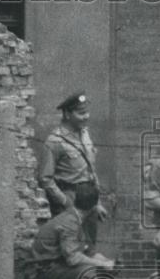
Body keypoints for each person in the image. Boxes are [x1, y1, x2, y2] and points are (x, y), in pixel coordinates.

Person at [28, 182, 115, 279]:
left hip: (56, 268)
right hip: (41, 274)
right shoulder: (70, 222)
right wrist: (101, 263)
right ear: (94, 206)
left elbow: (86, 252)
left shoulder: (75, 218)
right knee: (87, 271)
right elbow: (73, 259)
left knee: (100, 271)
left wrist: (108, 262)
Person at [38, 92, 108, 241]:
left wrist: (97, 203)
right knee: (70, 246)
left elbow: (91, 170)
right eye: (81, 113)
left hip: (89, 198)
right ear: (67, 114)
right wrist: (65, 202)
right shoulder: (55, 141)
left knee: (89, 245)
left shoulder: (85, 134)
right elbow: (46, 179)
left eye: (87, 112)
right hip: (69, 197)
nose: (86, 116)